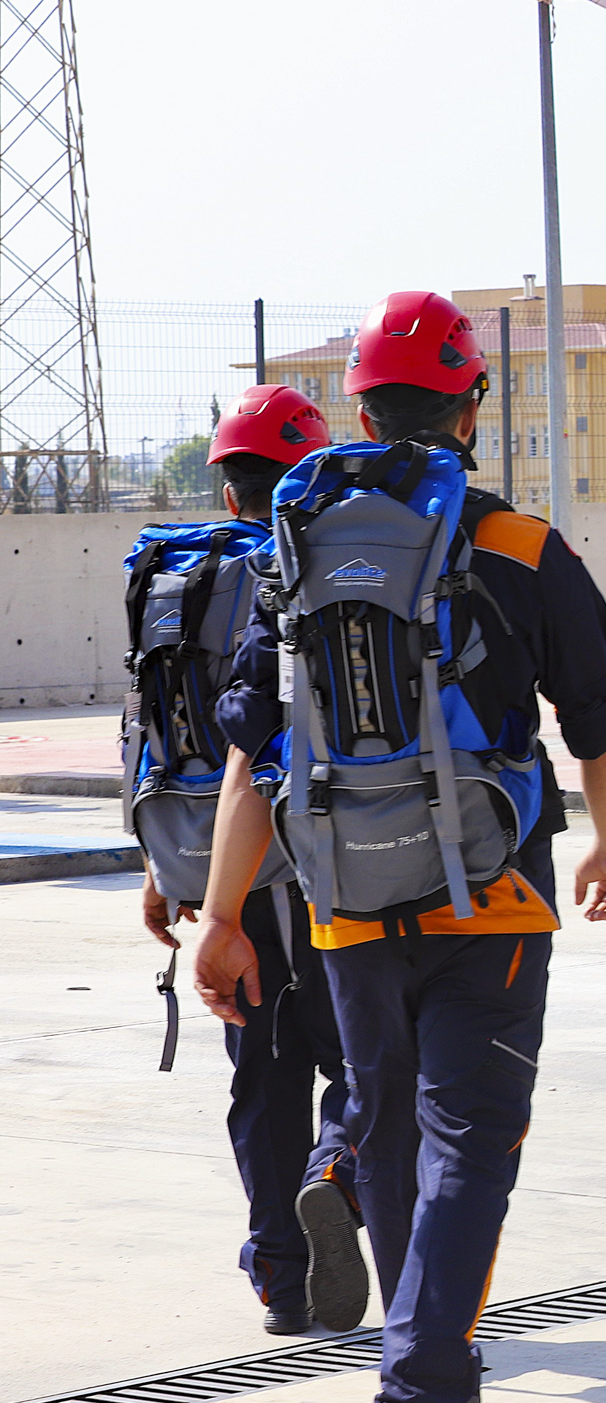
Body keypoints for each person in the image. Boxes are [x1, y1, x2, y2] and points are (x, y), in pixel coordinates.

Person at [195, 290, 606, 1403]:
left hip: (342, 894)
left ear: (359, 407)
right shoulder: (514, 543)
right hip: (487, 893)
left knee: (385, 1122)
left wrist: (227, 914)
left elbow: (252, 754)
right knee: (471, 1138)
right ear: (472, 404)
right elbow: (602, 718)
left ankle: (420, 1359)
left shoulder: (294, 542)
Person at [129, 384, 361, 1337]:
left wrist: (162, 869)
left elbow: (150, 731)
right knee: (362, 1058)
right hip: (314, 863)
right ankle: (336, 1177)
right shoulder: (307, 565)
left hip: (214, 865)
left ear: (226, 488)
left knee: (261, 1077)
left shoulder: (173, 579)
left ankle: (280, 1272)